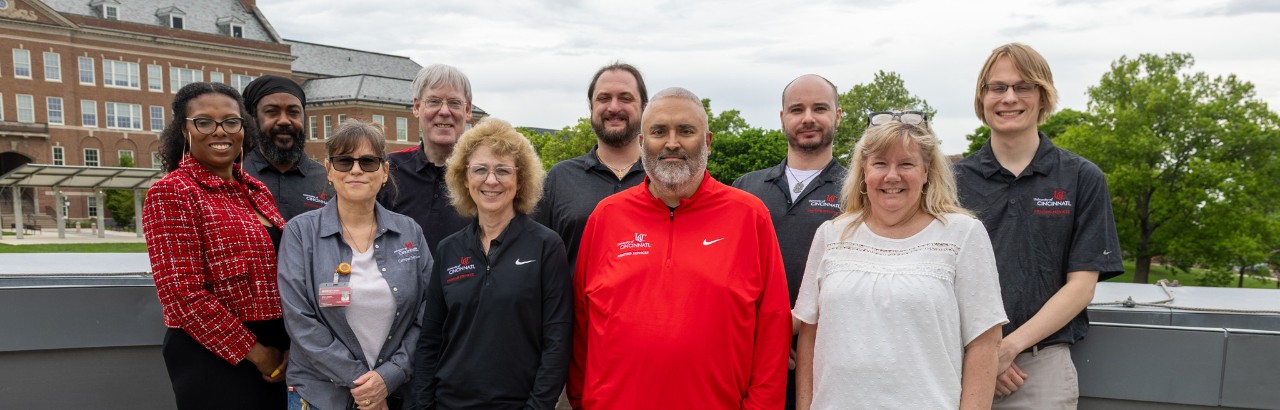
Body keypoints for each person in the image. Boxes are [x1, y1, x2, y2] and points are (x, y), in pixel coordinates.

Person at [568, 87, 790, 409]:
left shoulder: (749, 217)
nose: (672, 142)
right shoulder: (606, 217)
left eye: (686, 131)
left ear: (708, 142)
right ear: (642, 143)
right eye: (659, 131)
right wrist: (581, 400)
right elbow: (581, 323)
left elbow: (773, 325)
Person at [793, 112, 1007, 409]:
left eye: (906, 163)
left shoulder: (963, 234)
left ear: (927, 172)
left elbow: (985, 343)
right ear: (864, 172)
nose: (892, 176)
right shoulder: (831, 235)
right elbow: (809, 334)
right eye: (880, 163)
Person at [953, 43, 1124, 408]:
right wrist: (982, 353)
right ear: (982, 99)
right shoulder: (950, 181)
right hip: (954, 359)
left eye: (1023, 87)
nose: (1009, 98)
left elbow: (1081, 287)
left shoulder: (1081, 177)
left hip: (1037, 366)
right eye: (997, 88)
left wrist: (1007, 348)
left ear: (1043, 97)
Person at [143, 81, 288, 409]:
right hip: (216, 356)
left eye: (231, 121)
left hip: (278, 354)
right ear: (184, 130)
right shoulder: (173, 192)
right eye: (204, 122)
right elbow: (182, 296)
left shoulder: (256, 191)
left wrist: (289, 344)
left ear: (244, 128)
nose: (220, 131)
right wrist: (259, 354)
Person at [413, 118, 572, 409]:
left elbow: (557, 343)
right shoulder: (448, 250)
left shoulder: (546, 247)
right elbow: (430, 341)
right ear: (464, 177)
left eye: (502, 170)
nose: (491, 180)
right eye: (480, 170)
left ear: (520, 179)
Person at [277, 120, 431, 410]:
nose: (356, 170)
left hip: (396, 394)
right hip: (320, 397)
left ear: (384, 171)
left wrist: (389, 377)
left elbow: (429, 312)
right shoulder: (300, 233)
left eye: (368, 161)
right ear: (329, 170)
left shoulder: (410, 232)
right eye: (344, 161)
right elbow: (300, 321)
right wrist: (368, 386)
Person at [732, 74, 846, 409]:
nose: (808, 118)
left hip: (830, 364)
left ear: (838, 115)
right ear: (783, 118)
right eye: (797, 109)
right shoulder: (745, 188)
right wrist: (766, 344)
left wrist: (806, 340)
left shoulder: (861, 189)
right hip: (750, 365)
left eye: (820, 108)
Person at [534, 62, 648, 266]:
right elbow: (536, 259)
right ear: (592, 107)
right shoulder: (560, 178)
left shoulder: (663, 179)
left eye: (625, 98)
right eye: (604, 98)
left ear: (644, 108)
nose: (614, 107)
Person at [379, 64, 473, 254]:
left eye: (454, 103)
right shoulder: (388, 171)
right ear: (416, 107)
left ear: (468, 110)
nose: (444, 111)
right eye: (434, 101)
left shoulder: (483, 176)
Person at [242, 75, 331, 221]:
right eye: (272, 111)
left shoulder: (328, 180)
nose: (284, 121)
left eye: (293, 112)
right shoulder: (234, 175)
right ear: (253, 118)